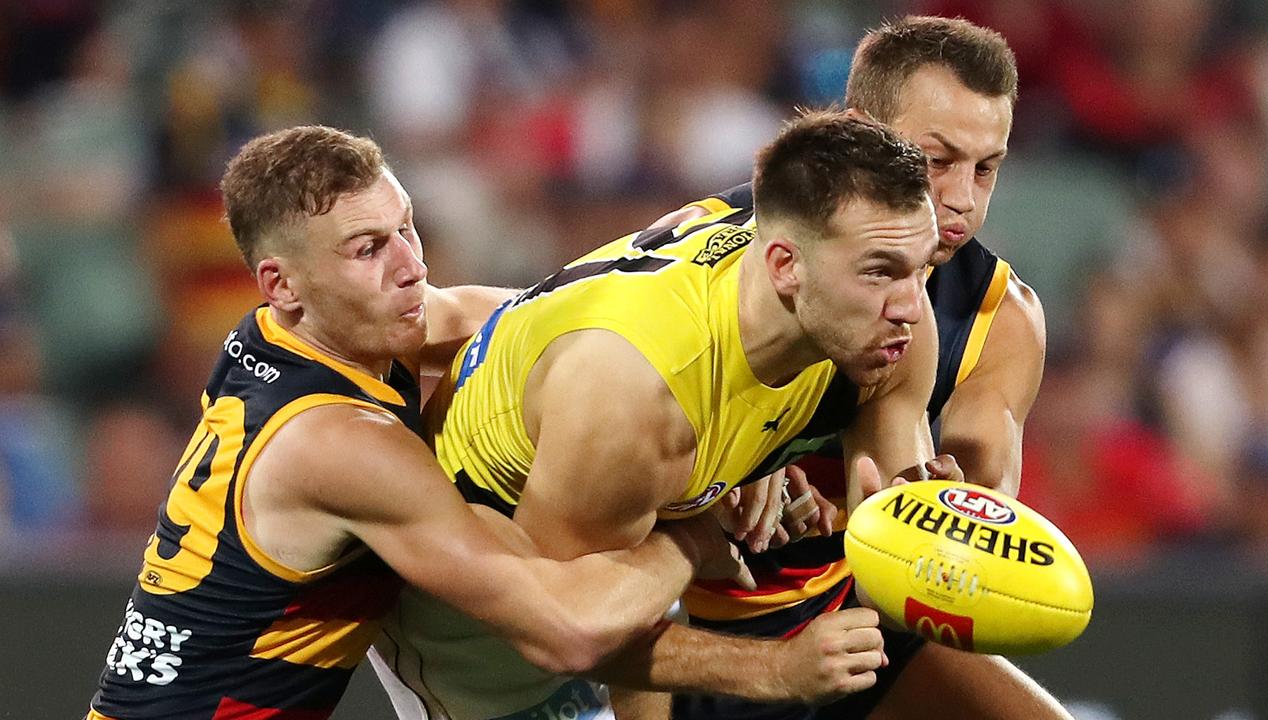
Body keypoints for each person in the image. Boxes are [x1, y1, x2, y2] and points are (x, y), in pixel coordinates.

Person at [84, 125, 742, 720]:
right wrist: (694, 531)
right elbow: (565, 629)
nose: (411, 267)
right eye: (369, 249)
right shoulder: (336, 443)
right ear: (280, 284)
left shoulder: (318, 326)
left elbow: (560, 328)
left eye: (407, 228)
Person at [372, 110, 945, 719]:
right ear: (784, 266)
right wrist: (768, 656)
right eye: (881, 271)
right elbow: (562, 630)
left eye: (924, 265)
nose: (912, 305)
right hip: (482, 638)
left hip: (625, 562)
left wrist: (930, 545)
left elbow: (895, 557)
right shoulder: (632, 393)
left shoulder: (871, 326)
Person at [639, 15, 1064, 720]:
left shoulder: (1002, 321)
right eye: (938, 159)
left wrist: (935, 520)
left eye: (986, 167)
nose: (962, 198)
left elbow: (961, 568)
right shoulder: (725, 253)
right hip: (691, 627)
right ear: (863, 133)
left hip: (866, 631)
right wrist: (720, 469)